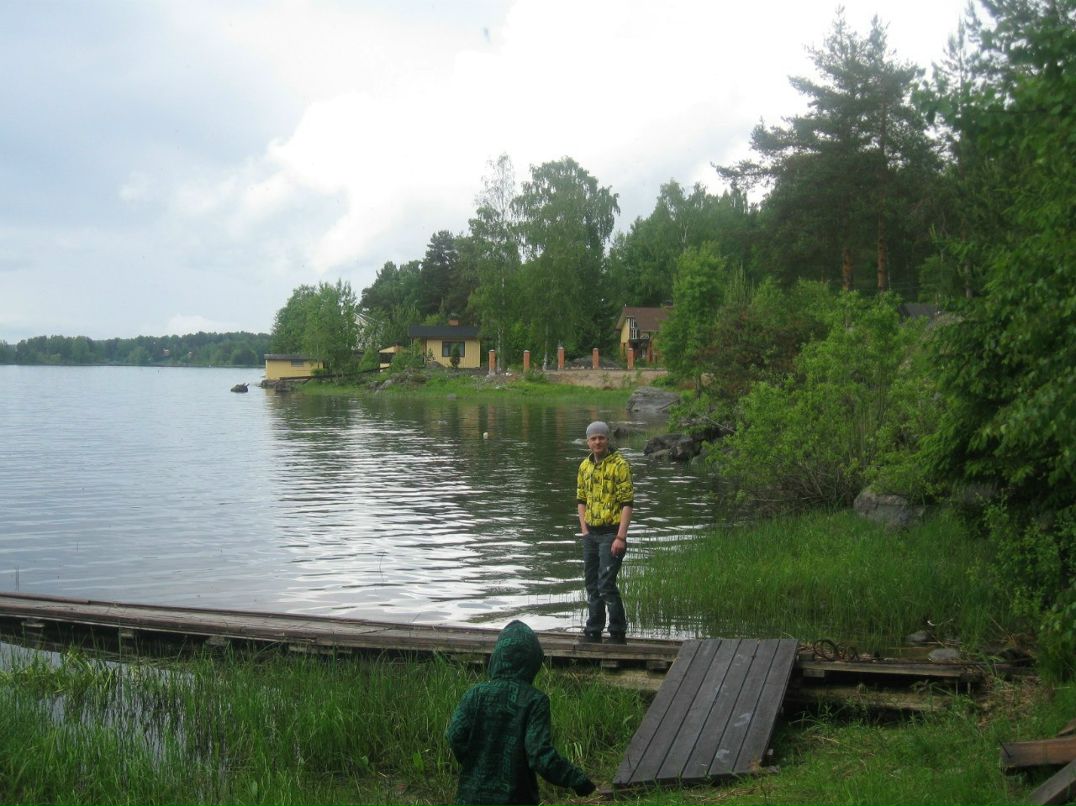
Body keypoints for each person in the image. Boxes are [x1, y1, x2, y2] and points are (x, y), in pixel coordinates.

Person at [445, 620, 597, 806]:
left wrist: (475, 762)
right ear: (533, 661)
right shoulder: (535, 701)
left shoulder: (475, 694)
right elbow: (539, 754)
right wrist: (577, 779)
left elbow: (454, 736)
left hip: (470, 798)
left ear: (497, 657)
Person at [576, 420, 634, 644]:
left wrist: (621, 537)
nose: (597, 442)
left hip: (612, 533)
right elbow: (581, 500)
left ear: (607, 439)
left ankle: (618, 632)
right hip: (590, 533)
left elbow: (627, 503)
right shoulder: (584, 466)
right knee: (591, 584)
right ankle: (594, 630)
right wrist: (584, 530)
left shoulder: (620, 465)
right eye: (593, 438)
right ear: (588, 442)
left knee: (606, 584)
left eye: (601, 437)